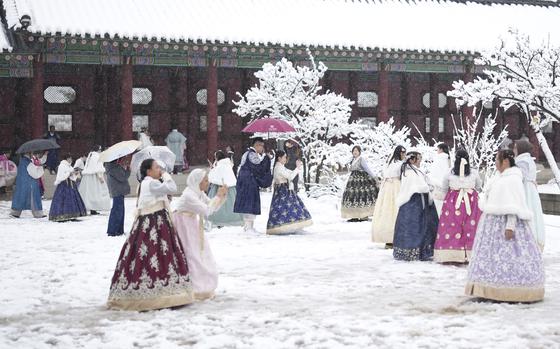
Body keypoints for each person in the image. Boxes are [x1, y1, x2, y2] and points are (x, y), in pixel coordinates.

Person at [107, 159, 194, 310]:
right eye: (157, 167)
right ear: (148, 171)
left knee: (143, 254)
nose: (159, 169)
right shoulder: (151, 183)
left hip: (147, 221)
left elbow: (159, 195)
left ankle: (145, 292)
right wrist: (166, 175)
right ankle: (159, 294)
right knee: (157, 253)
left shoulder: (145, 183)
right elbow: (172, 187)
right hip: (154, 221)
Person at [465, 149, 544, 302]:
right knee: (492, 256)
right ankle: (488, 287)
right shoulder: (500, 177)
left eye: (497, 160)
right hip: (492, 223)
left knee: (510, 256)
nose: (495, 163)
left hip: (505, 224)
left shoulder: (513, 179)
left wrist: (510, 226)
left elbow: (513, 205)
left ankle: (511, 289)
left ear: (506, 161)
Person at [172, 169, 228, 300]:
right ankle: (194, 286)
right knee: (191, 254)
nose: (208, 183)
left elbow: (210, 206)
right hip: (183, 225)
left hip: (191, 223)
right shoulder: (189, 195)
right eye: (206, 180)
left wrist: (221, 196)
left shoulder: (198, 192)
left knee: (198, 253)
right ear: (198, 182)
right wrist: (218, 196)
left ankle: (201, 284)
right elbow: (206, 210)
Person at [434, 150, 482, 263]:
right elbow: (478, 186)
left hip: (453, 202)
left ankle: (451, 255)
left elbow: (444, 187)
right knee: (471, 227)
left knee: (452, 227)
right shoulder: (474, 173)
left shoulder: (449, 173)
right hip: (471, 201)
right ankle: (470, 254)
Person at [393, 151, 438, 261]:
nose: (420, 161)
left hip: (415, 203)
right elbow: (419, 187)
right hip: (414, 203)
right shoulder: (410, 172)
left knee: (415, 227)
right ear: (413, 160)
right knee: (416, 227)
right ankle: (416, 251)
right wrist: (428, 187)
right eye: (418, 159)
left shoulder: (413, 171)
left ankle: (418, 251)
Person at [266, 150, 312, 235]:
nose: (286, 159)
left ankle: (293, 227)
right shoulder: (278, 167)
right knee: (285, 208)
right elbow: (290, 176)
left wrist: (296, 168)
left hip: (284, 189)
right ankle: (284, 227)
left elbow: (289, 172)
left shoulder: (280, 166)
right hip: (283, 190)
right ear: (279, 158)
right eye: (284, 157)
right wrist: (297, 168)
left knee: (290, 208)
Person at [234, 137, 273, 233]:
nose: (262, 148)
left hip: (245, 181)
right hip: (249, 182)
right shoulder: (252, 155)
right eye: (261, 146)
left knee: (248, 203)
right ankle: (248, 227)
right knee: (249, 204)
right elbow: (259, 168)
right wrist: (266, 158)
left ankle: (249, 226)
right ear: (257, 145)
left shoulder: (247, 153)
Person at [371, 145, 406, 248]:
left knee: (386, 211)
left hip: (386, 188)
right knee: (395, 210)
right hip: (396, 186)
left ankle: (387, 237)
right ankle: (395, 236)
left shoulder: (389, 163)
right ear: (400, 153)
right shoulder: (401, 164)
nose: (404, 155)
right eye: (403, 153)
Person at [514, 140, 545, 251]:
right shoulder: (528, 160)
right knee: (533, 212)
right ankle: (535, 241)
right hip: (531, 189)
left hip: (525, 189)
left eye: (515, 147)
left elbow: (519, 177)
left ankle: (526, 242)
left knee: (525, 211)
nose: (514, 150)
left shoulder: (521, 161)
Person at [341, 145, 379, 221]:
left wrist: (374, 177)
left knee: (362, 196)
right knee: (353, 196)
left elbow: (366, 168)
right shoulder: (352, 160)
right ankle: (354, 215)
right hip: (352, 181)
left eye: (356, 151)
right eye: (353, 151)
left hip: (361, 180)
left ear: (359, 152)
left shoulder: (361, 159)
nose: (355, 152)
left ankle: (364, 215)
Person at [207, 151, 243, 227]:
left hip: (219, 188)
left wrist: (212, 169)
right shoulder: (228, 165)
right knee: (231, 203)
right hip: (230, 188)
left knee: (217, 203)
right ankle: (233, 218)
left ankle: (218, 219)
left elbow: (213, 176)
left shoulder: (219, 166)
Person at [49, 154, 87, 222]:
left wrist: (74, 173)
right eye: (70, 158)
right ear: (67, 158)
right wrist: (69, 173)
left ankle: (72, 215)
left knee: (72, 199)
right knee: (63, 200)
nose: (71, 160)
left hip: (71, 184)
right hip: (64, 185)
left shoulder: (68, 165)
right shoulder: (62, 165)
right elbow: (61, 176)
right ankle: (62, 215)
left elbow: (71, 173)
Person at [11, 152, 46, 218]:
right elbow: (35, 174)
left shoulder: (22, 161)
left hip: (21, 183)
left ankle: (15, 212)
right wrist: (41, 167)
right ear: (28, 154)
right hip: (30, 183)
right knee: (34, 198)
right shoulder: (28, 163)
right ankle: (37, 213)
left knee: (20, 197)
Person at [78, 146, 111, 215]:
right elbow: (97, 168)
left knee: (89, 193)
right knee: (96, 192)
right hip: (95, 177)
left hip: (88, 176)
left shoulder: (91, 155)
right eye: (100, 149)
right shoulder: (96, 156)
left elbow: (91, 166)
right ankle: (94, 207)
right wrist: (100, 177)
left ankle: (90, 208)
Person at [105, 156, 131, 236]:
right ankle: (113, 230)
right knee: (117, 211)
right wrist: (128, 169)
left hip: (117, 191)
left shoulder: (112, 166)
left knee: (119, 210)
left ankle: (118, 230)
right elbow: (123, 177)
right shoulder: (113, 167)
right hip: (117, 191)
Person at [430, 143, 452, 215]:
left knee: (437, 207)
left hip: (437, 185)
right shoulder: (448, 159)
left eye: (438, 149)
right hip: (446, 185)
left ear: (441, 149)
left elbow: (434, 172)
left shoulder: (438, 158)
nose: (437, 151)